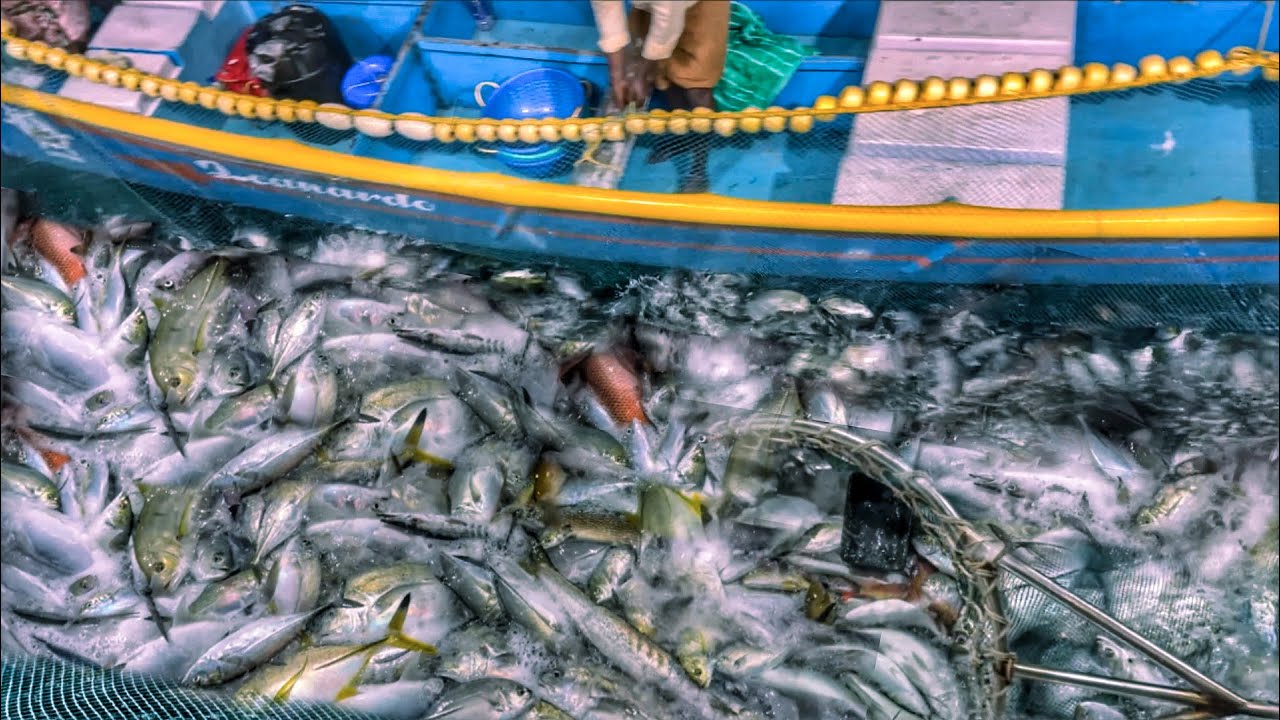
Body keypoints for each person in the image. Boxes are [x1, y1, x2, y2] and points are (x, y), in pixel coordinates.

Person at [589, 0, 730, 193]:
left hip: (700, 7)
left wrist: (642, 73)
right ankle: (681, 140)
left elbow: (668, 17)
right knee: (665, 75)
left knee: (698, 86)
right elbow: (606, 6)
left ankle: (698, 170)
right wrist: (617, 77)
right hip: (656, 8)